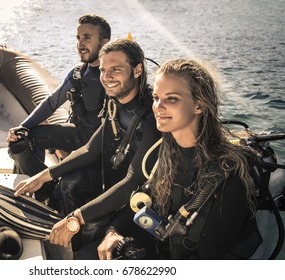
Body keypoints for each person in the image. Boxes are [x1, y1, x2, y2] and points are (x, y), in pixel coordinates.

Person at [95, 58, 262, 260]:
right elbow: (143, 203)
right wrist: (113, 232)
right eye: (156, 98)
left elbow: (210, 257)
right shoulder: (164, 155)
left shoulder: (227, 175)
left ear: (199, 105)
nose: (158, 107)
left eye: (171, 99)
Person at [14, 39, 161, 253]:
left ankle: (78, 246)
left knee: (91, 229)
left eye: (116, 69)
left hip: (137, 200)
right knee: (69, 182)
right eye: (103, 70)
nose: (106, 77)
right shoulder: (115, 103)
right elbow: (91, 150)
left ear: (137, 70)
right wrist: (45, 176)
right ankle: (63, 242)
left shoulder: (151, 118)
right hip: (111, 179)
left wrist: (77, 217)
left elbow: (133, 181)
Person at [6, 14, 111, 177]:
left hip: (103, 145)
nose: (80, 44)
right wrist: (23, 127)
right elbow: (51, 103)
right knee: (25, 138)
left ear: (104, 43)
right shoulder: (79, 73)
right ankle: (35, 188)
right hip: (80, 135)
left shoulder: (114, 77)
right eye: (78, 37)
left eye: (87, 37)